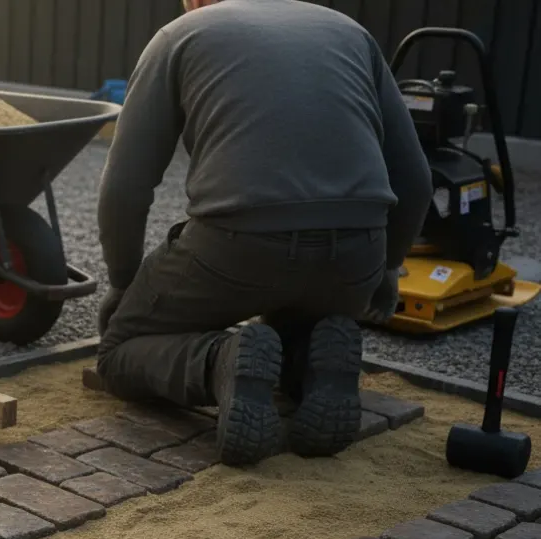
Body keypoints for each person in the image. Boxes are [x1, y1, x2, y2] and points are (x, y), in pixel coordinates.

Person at [93, 0, 432, 466]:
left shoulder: (181, 34)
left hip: (238, 247)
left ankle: (219, 362)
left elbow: (125, 187)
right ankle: (313, 354)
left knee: (116, 353)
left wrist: (122, 280)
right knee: (291, 319)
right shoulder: (349, 31)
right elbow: (415, 177)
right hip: (357, 252)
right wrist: (389, 266)